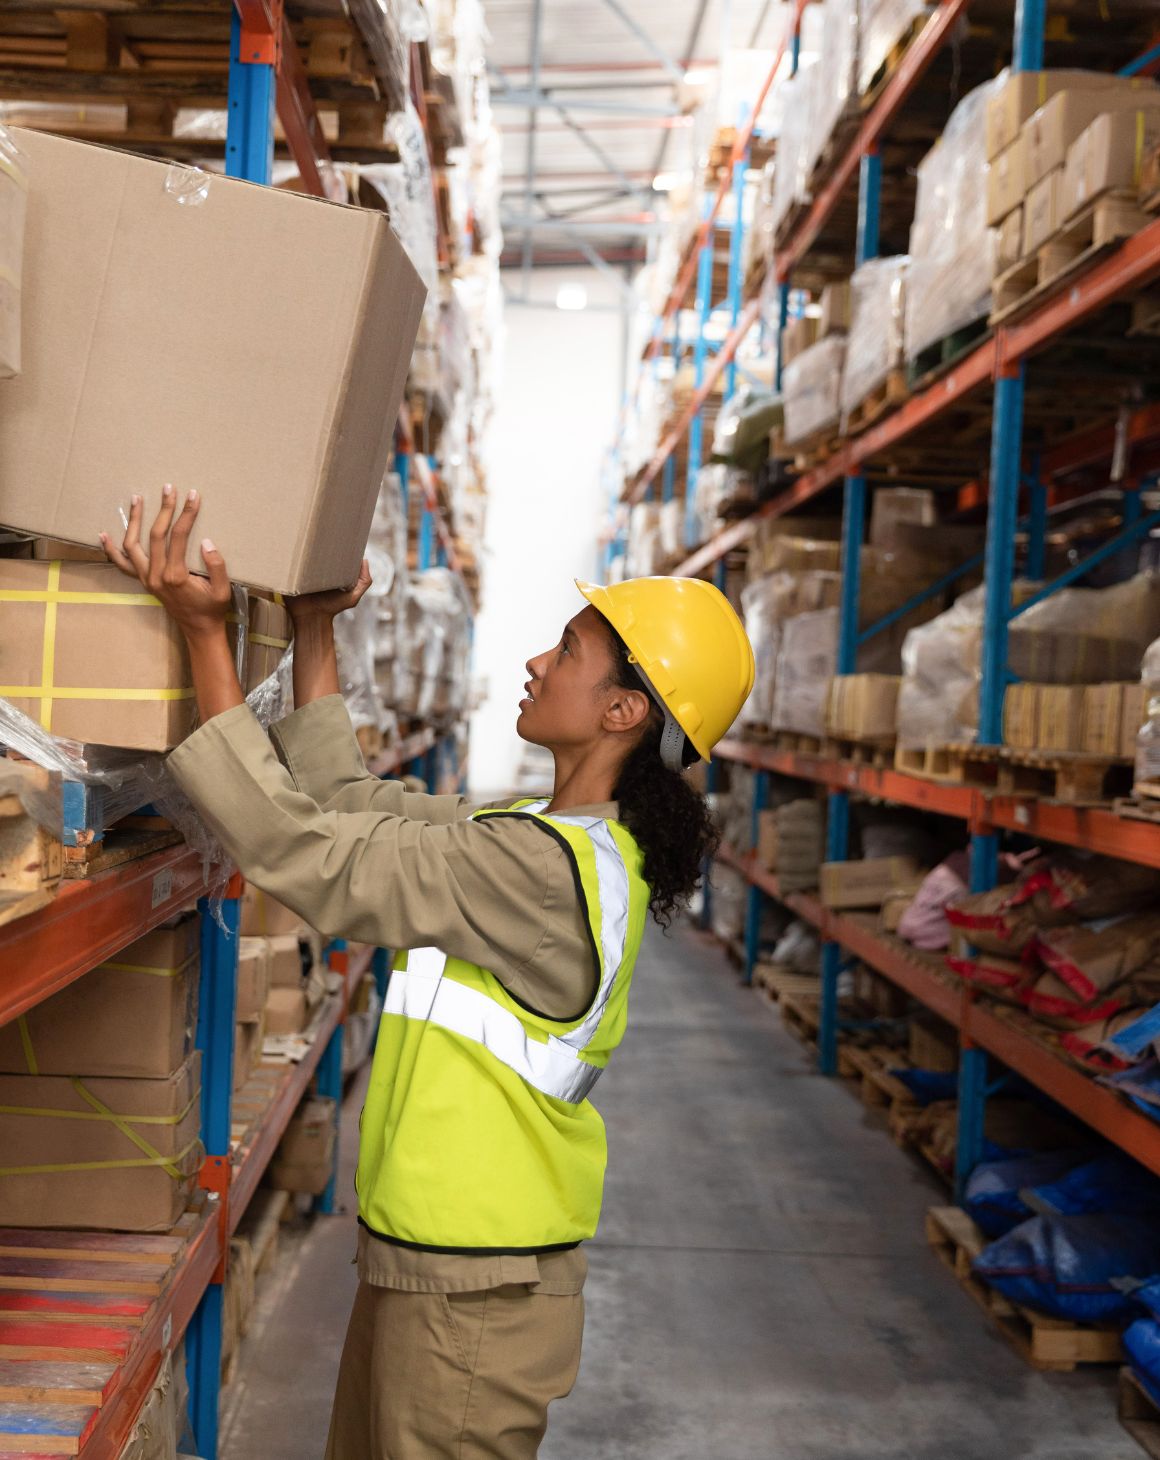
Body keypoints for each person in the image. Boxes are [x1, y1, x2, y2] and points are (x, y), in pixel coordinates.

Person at [102, 487, 755, 1459]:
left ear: (622, 709)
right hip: (438, 1268)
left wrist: (202, 634)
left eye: (566, 651)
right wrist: (314, 628)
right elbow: (344, 801)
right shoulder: (537, 839)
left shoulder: (540, 875)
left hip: (474, 1294)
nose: (537, 662)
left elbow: (298, 850)